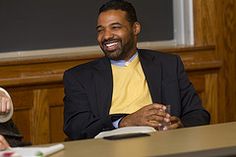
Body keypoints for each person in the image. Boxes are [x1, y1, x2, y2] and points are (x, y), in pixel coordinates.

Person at [63, 0, 210, 140]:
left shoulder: (168, 65)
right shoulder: (79, 76)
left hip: (163, 146)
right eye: (100, 30)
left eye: (115, 27)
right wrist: (124, 122)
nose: (106, 36)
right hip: (108, 149)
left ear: (135, 28)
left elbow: (198, 114)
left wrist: (180, 126)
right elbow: (75, 126)